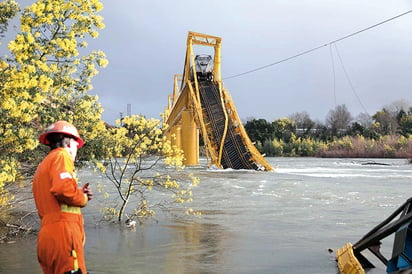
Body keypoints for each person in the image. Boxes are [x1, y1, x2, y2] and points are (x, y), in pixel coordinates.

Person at [32, 120, 93, 274]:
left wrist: (78, 192)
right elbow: (62, 190)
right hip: (63, 236)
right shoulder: (62, 155)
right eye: (76, 146)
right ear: (69, 143)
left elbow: (56, 195)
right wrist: (82, 198)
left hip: (47, 238)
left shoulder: (43, 166)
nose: (76, 150)